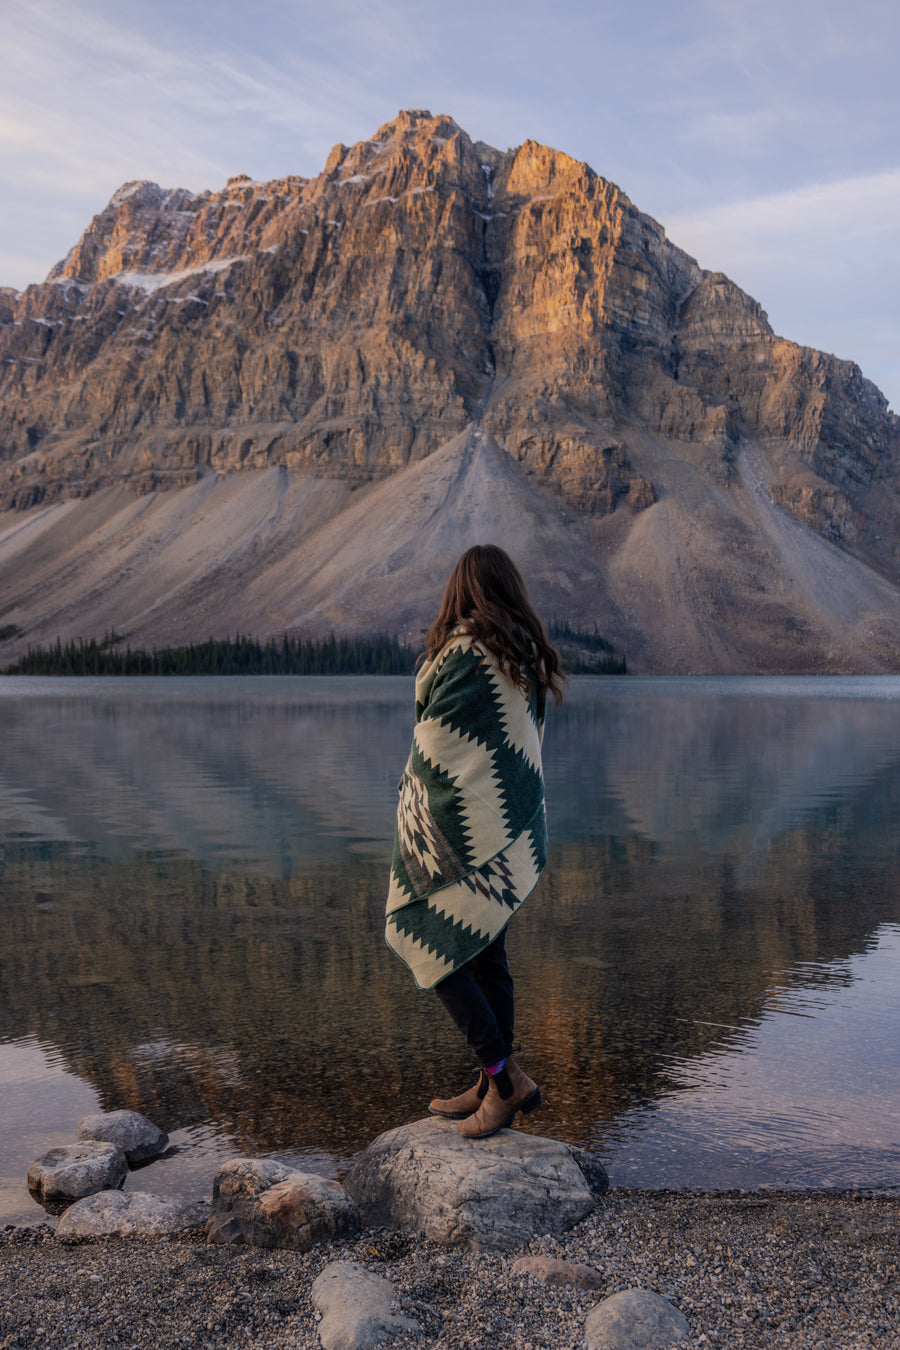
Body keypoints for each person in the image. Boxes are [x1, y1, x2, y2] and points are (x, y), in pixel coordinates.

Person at [385, 544, 565, 1139]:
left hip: (457, 836)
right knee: (487, 954)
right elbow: (512, 758)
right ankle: (493, 1084)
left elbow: (436, 749)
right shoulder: (522, 660)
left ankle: (504, 1078)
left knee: (436, 949)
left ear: (460, 593)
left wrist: (418, 804)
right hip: (501, 833)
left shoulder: (465, 656)